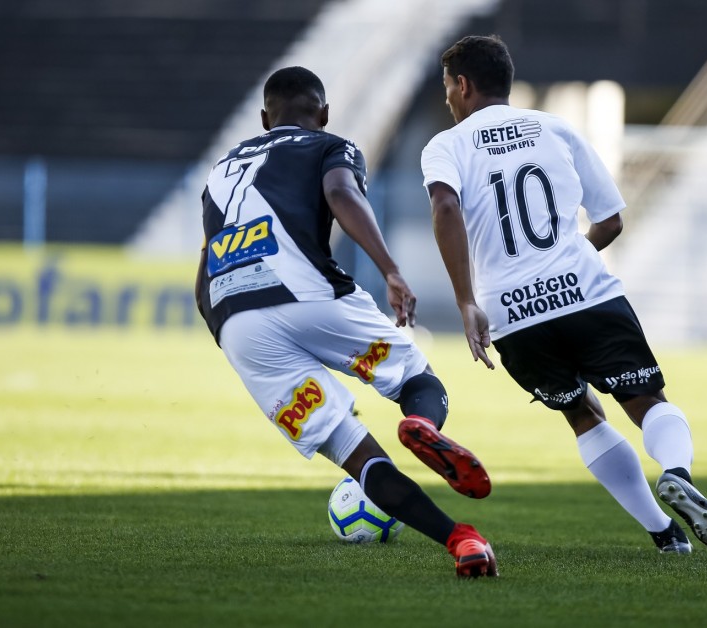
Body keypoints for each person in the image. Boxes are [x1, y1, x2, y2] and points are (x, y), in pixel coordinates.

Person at [421, 35, 707, 554]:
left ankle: (664, 533)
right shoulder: (556, 129)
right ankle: (677, 472)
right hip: (585, 292)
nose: (449, 100)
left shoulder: (446, 145)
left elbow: (446, 209)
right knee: (646, 401)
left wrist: (464, 300)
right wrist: (567, 262)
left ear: (463, 84)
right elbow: (610, 220)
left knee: (582, 414)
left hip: (513, 313)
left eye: (448, 89)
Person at [195, 66, 496, 577]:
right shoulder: (329, 145)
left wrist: (229, 334)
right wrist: (391, 270)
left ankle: (461, 540)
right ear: (324, 113)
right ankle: (421, 423)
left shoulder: (220, 171)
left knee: (356, 455)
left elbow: (204, 269)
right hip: (311, 297)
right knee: (416, 379)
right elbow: (341, 194)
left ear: (265, 117)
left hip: (237, 323)